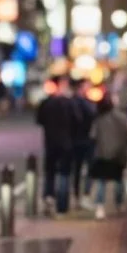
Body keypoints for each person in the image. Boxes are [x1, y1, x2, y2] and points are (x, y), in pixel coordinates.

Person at [89, 94, 127, 219]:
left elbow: (93, 137)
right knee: (119, 180)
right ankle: (119, 204)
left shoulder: (98, 120)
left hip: (102, 155)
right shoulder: (121, 117)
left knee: (101, 182)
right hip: (119, 154)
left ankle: (100, 207)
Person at [35, 77, 77, 214]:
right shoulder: (69, 103)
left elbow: (39, 120)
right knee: (64, 173)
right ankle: (62, 205)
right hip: (67, 142)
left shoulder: (45, 103)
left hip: (50, 142)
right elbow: (78, 120)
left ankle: (48, 198)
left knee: (50, 172)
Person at [69, 80, 96, 208]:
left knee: (77, 170)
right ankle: (85, 195)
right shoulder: (86, 103)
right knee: (88, 169)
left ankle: (76, 196)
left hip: (75, 140)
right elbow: (93, 116)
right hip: (85, 139)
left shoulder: (70, 102)